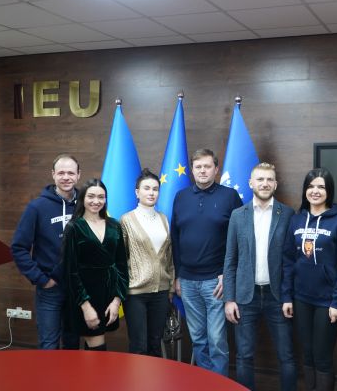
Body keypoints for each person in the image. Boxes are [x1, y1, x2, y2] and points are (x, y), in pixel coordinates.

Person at [223, 162, 297, 390]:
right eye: (260, 179)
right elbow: (230, 260)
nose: (265, 183)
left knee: (286, 355)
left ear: (275, 184)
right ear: (251, 183)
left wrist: (288, 296)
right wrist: (229, 299)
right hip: (246, 297)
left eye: (269, 179)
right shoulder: (238, 215)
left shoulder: (287, 214)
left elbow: (291, 260)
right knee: (244, 356)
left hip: (278, 297)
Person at [282, 168, 337, 391]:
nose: (315, 191)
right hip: (301, 298)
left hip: (327, 301)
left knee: (322, 357)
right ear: (305, 190)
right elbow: (288, 260)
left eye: (321, 187)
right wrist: (286, 296)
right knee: (307, 354)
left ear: (329, 191)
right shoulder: (296, 220)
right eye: (311, 186)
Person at [172, 148, 242, 375]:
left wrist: (227, 274)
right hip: (187, 282)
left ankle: (219, 385)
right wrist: (178, 275)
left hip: (216, 282)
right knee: (198, 339)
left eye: (207, 166)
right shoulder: (181, 197)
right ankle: (205, 382)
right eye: (198, 167)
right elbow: (175, 237)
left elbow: (240, 238)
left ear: (216, 169)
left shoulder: (230, 196)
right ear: (192, 170)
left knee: (217, 341)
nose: (203, 170)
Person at [11, 154, 81, 350]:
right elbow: (18, 247)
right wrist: (41, 279)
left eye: (70, 173)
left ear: (78, 175)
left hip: (78, 288)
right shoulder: (37, 207)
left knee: (72, 343)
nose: (66, 177)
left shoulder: (86, 205)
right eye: (61, 173)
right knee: (49, 344)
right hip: (50, 288)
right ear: (53, 174)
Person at [62, 179, 129, 351]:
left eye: (101, 197)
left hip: (108, 296)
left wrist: (116, 301)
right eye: (91, 196)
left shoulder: (114, 225)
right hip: (83, 297)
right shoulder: (73, 228)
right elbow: (70, 271)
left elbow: (122, 266)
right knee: (98, 348)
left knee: (93, 349)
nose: (96, 201)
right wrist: (86, 307)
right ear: (82, 198)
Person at [120, 169, 174, 357]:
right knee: (139, 346)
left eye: (155, 189)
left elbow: (169, 256)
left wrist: (170, 287)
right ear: (137, 192)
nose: (151, 193)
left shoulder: (164, 219)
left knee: (155, 344)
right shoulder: (126, 220)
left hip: (161, 292)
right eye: (146, 188)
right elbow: (120, 258)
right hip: (135, 293)